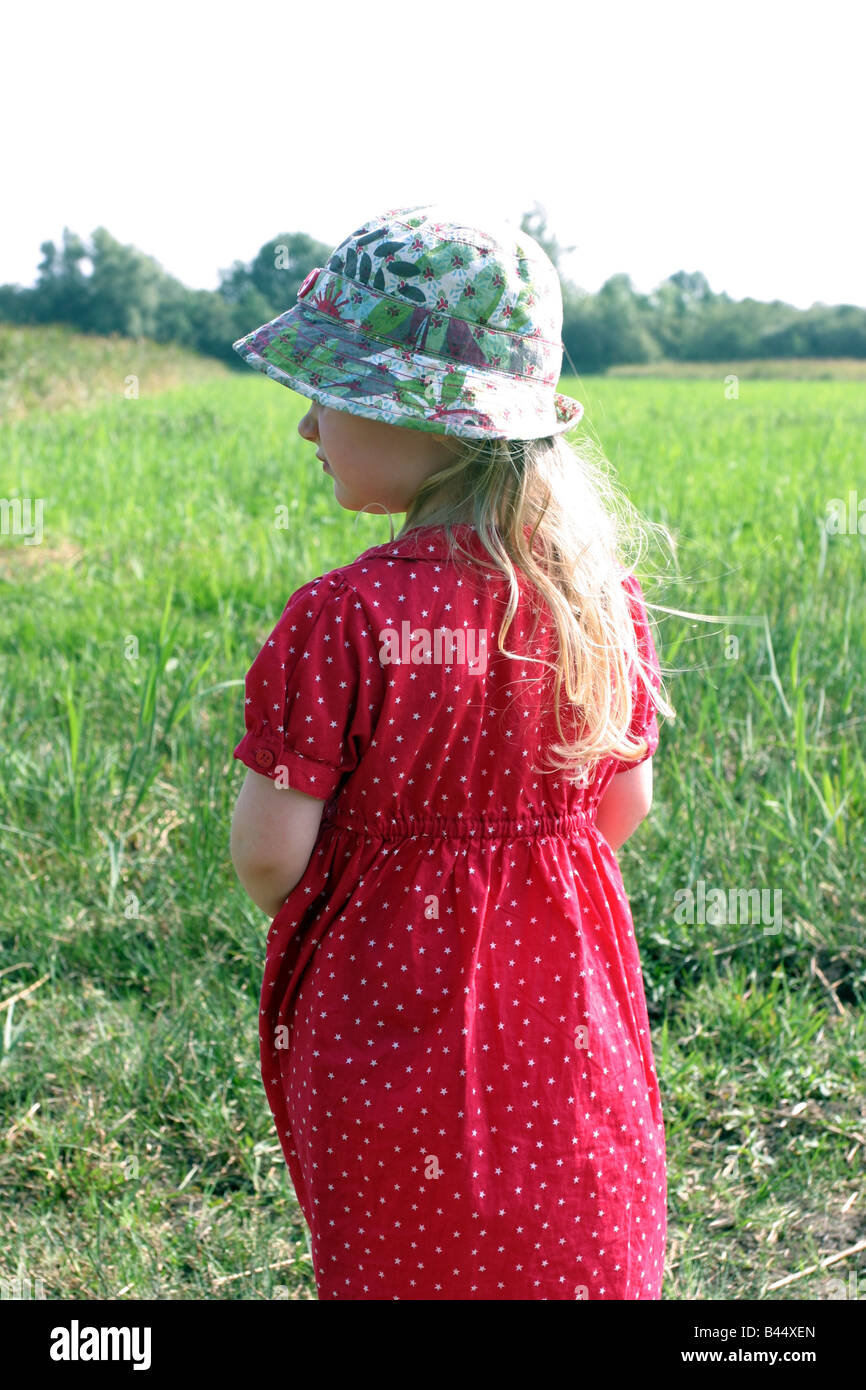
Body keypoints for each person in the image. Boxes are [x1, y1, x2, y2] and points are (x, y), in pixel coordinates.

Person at [229, 203, 676, 1300]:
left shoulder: (341, 619)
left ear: (424, 420)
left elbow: (269, 859)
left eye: (327, 399)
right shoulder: (594, 602)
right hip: (565, 1000)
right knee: (566, 1208)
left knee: (406, 1240)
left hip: (387, 994)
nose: (304, 431)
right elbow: (625, 809)